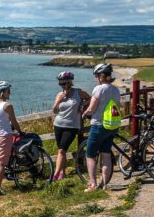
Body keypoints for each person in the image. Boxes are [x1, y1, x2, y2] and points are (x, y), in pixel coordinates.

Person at [82, 63, 121, 191]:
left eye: (96, 76)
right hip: (111, 126)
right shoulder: (115, 90)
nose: (96, 78)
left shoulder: (99, 89)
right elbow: (117, 106)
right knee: (106, 154)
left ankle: (93, 185)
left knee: (90, 155)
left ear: (101, 76)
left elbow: (91, 108)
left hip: (99, 125)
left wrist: (84, 113)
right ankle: (104, 185)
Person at [50, 71, 90, 181]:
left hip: (72, 126)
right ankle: (62, 173)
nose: (62, 86)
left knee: (61, 151)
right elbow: (55, 111)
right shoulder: (59, 94)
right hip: (58, 124)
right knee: (61, 150)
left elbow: (90, 98)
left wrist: (82, 105)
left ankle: (55, 176)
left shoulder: (78, 92)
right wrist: (58, 101)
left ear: (70, 82)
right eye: (60, 83)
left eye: (64, 83)